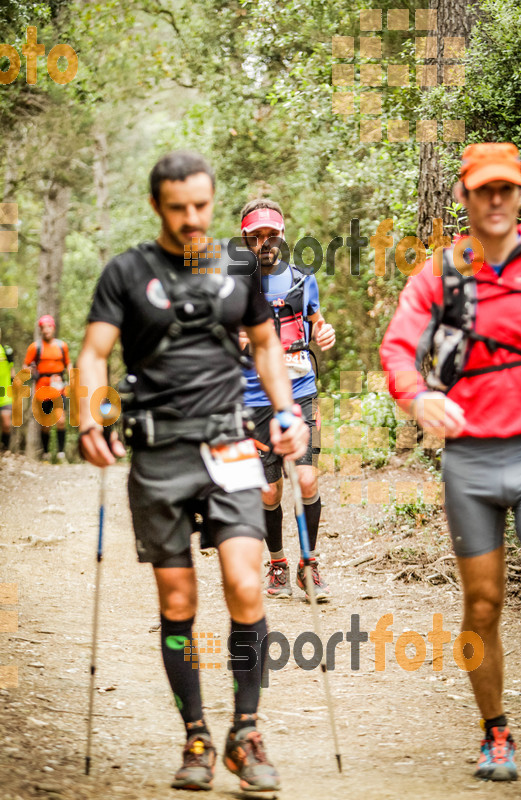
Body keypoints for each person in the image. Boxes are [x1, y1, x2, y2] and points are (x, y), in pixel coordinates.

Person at [77, 151, 308, 793]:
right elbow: (94, 354)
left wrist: (287, 412)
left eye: (201, 207)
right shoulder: (126, 272)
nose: (191, 219)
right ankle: (197, 735)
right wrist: (93, 418)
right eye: (178, 208)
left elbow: (264, 343)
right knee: (178, 602)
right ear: (157, 206)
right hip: (157, 456)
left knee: (246, 585)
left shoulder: (237, 266)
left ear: (212, 201)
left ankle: (247, 730)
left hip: (230, 447)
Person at [380, 142, 521, 782]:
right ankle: (495, 733)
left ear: (520, 195)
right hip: (468, 461)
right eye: (483, 190)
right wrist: (418, 398)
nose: (496, 201)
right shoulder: (438, 275)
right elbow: (397, 349)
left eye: (507, 189)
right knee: (482, 605)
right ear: (466, 198)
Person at [239, 199, 336, 601]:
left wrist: (325, 334)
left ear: (281, 235)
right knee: (268, 491)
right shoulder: (232, 283)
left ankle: (308, 565)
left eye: (270, 235)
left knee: (308, 477)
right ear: (245, 238)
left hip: (300, 389)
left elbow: (316, 322)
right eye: (256, 236)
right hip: (254, 395)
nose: (265, 243)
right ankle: (277, 563)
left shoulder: (301, 279)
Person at [23, 315, 71, 461]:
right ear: (41, 330)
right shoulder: (35, 347)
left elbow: (68, 363)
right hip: (42, 388)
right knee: (46, 422)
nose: (46, 330)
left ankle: (61, 453)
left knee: (61, 419)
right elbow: (25, 365)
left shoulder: (62, 346)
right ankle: (46, 453)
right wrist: (30, 371)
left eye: (48, 327)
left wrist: (71, 377)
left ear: (53, 328)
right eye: (43, 328)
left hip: (58, 386)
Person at [0, 329, 14, 452]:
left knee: (6, 423)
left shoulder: (6, 350)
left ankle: (5, 450)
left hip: (4, 393)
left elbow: (12, 370)